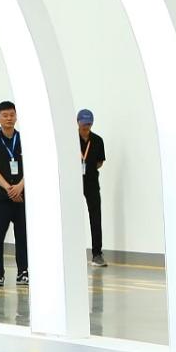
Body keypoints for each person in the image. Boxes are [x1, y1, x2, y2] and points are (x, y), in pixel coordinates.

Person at [0, 100, 28, 287]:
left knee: (23, 235)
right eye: (5, 115)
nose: (9, 118)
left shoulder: (24, 138)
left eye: (12, 115)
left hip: (22, 196)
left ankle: (23, 271)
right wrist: (9, 188)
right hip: (1, 197)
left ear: (16, 116)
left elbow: (33, 165)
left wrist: (20, 186)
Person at [78, 109, 107, 267]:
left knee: (95, 216)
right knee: (73, 216)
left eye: (89, 124)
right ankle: (72, 251)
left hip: (91, 181)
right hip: (74, 182)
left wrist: (88, 168)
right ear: (78, 122)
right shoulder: (70, 139)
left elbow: (100, 162)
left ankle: (97, 253)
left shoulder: (97, 140)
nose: (86, 127)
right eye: (83, 124)